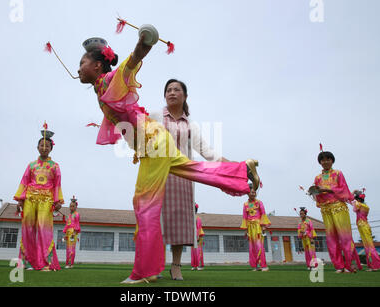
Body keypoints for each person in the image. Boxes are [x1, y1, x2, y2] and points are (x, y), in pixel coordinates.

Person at [77, 34, 260, 284]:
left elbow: (132, 62)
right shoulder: (102, 87)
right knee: (198, 171)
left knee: (145, 206)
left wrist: (145, 42)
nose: (78, 69)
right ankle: (241, 170)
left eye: (82, 63)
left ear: (97, 65)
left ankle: (145, 271)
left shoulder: (111, 78)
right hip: (157, 142)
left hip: (153, 144)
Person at [151, 79, 228, 280]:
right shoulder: (156, 116)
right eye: (168, 89)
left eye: (177, 89)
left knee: (179, 221)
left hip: (183, 177)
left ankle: (175, 265)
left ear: (185, 96)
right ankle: (155, 265)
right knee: (155, 221)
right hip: (158, 174)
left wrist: (229, 164)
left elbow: (205, 150)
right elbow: (142, 136)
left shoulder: (190, 125)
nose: (172, 92)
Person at [14, 128, 63, 271]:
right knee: (28, 229)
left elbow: (57, 185)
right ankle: (27, 262)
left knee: (44, 229)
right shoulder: (31, 165)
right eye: (41, 145)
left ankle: (45, 263)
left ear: (51, 148)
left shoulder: (55, 166)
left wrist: (57, 201)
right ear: (37, 147)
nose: (44, 148)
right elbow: (24, 182)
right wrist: (20, 200)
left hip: (46, 201)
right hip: (30, 199)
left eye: (47, 146)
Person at [312, 150, 358, 273]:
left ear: (332, 160)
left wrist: (327, 189)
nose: (325, 162)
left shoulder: (338, 174)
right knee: (331, 238)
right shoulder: (317, 178)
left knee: (345, 236)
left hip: (338, 206)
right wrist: (315, 192)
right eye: (323, 160)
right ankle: (339, 266)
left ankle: (349, 265)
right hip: (326, 209)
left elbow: (343, 189)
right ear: (320, 162)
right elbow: (317, 195)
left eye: (328, 159)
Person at [352, 190, 380, 272]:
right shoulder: (365, 206)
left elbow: (350, 200)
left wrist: (352, 193)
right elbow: (352, 201)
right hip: (364, 226)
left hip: (363, 226)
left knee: (370, 247)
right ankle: (373, 266)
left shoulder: (358, 204)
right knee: (367, 247)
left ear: (357, 198)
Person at [240, 185, 270, 271]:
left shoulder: (259, 202)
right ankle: (256, 266)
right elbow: (245, 217)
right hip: (250, 227)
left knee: (259, 246)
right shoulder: (245, 204)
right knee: (252, 247)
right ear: (247, 193)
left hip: (258, 227)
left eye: (254, 192)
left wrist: (263, 226)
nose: (253, 194)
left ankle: (263, 266)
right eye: (251, 192)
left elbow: (263, 214)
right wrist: (246, 230)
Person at [63, 196, 81, 269]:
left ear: (76, 206)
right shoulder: (70, 215)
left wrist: (74, 233)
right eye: (70, 206)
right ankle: (67, 263)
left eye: (73, 206)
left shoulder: (76, 214)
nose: (71, 208)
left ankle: (71, 264)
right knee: (68, 248)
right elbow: (67, 224)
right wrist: (65, 234)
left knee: (71, 248)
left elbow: (77, 224)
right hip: (68, 233)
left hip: (73, 232)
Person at [191, 204, 205, 272]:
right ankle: (194, 266)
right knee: (193, 252)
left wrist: (198, 236)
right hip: (193, 236)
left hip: (198, 236)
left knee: (198, 251)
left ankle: (199, 265)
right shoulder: (191, 218)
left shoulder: (198, 218)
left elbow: (199, 228)